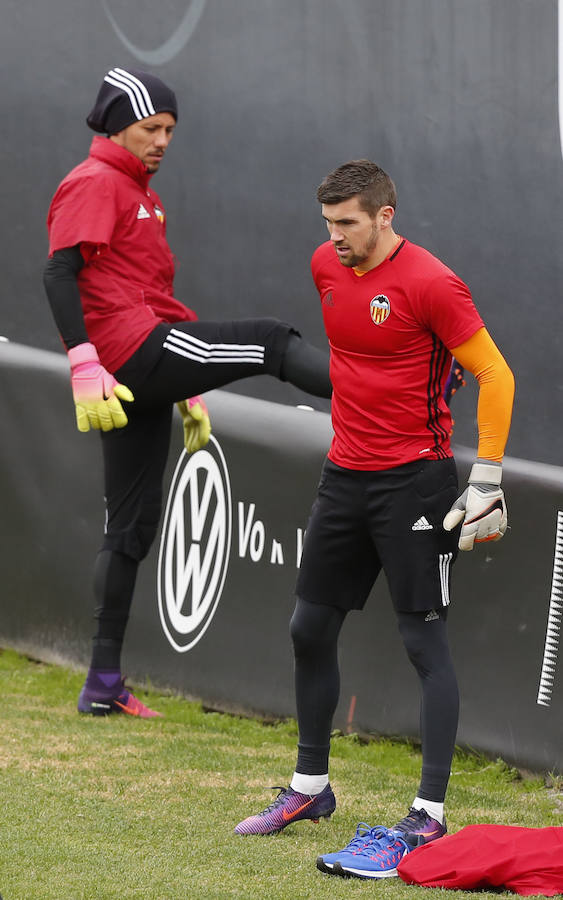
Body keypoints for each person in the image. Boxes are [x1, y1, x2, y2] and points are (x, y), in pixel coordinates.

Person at [234, 160, 514, 881]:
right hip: (343, 475)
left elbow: (494, 373)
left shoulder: (432, 283)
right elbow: (366, 358)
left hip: (414, 484)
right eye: (327, 224)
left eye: (348, 224)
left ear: (385, 216)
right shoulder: (325, 266)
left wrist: (486, 475)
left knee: (423, 643)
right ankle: (308, 790)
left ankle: (428, 813)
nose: (334, 239)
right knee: (307, 627)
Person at [43, 67, 331, 719]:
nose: (164, 140)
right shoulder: (95, 182)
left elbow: (152, 294)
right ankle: (381, 390)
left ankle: (102, 684)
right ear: (119, 125)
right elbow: (60, 272)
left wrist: (186, 388)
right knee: (267, 342)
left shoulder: (140, 193)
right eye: (152, 128)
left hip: (139, 357)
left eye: (171, 130)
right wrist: (82, 359)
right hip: (126, 355)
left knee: (130, 528)